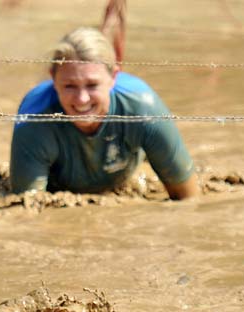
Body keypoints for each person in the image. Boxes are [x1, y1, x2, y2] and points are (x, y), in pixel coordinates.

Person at [10, 27, 199, 200]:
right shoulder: (34, 120)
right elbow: (27, 213)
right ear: (53, 78)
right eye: (69, 86)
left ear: (113, 77)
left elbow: (188, 198)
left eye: (92, 85)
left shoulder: (142, 108)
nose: (82, 99)